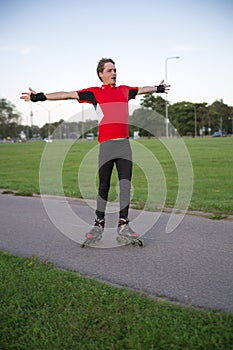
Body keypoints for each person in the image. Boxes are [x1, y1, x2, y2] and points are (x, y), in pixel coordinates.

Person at [21, 58, 170, 243]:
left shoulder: (125, 90)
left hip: (124, 145)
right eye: (109, 70)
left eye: (115, 70)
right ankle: (99, 224)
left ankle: (123, 225)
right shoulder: (93, 93)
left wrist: (158, 88)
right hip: (106, 146)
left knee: (125, 185)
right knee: (104, 186)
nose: (114, 73)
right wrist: (39, 97)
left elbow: (143, 89)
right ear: (101, 74)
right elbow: (67, 94)